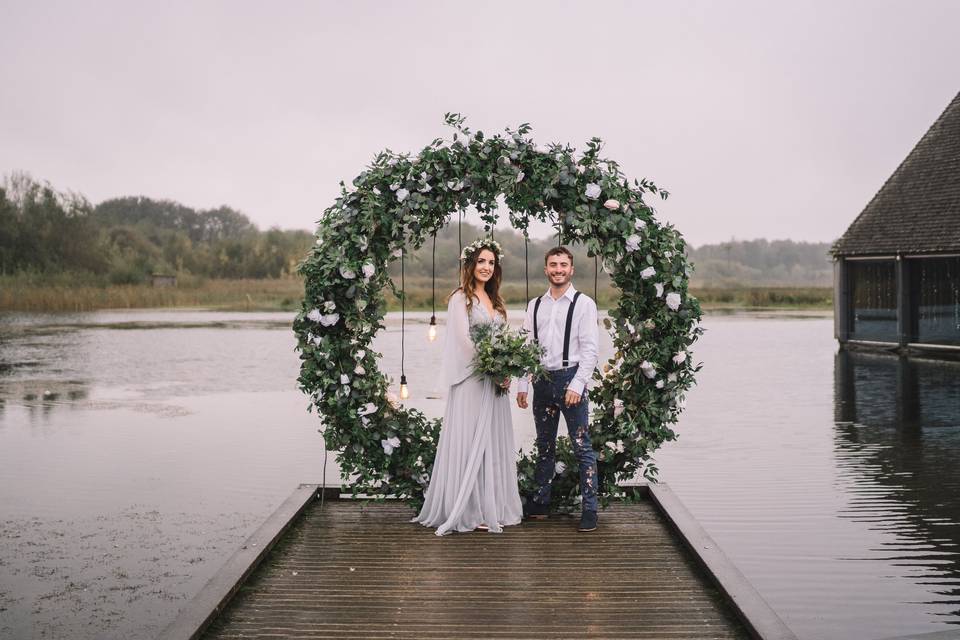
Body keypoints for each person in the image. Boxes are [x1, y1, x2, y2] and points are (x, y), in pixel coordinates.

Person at [414, 239, 523, 535]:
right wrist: (494, 367)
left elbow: (504, 341)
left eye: (491, 262)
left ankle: (492, 506)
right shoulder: (460, 298)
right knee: (471, 439)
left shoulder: (495, 300)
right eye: (481, 262)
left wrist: (507, 370)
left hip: (495, 383)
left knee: (491, 442)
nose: (486, 267)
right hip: (472, 380)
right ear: (470, 265)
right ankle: (468, 510)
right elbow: (464, 341)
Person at [517, 246, 600, 532]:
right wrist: (522, 384)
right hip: (541, 380)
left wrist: (578, 383)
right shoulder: (535, 305)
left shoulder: (583, 304)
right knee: (545, 445)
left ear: (571, 269)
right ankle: (541, 501)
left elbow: (590, 350)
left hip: (570, 378)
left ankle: (590, 509)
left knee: (581, 446)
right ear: (546, 268)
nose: (558, 270)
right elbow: (526, 347)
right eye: (553, 265)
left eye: (563, 265)